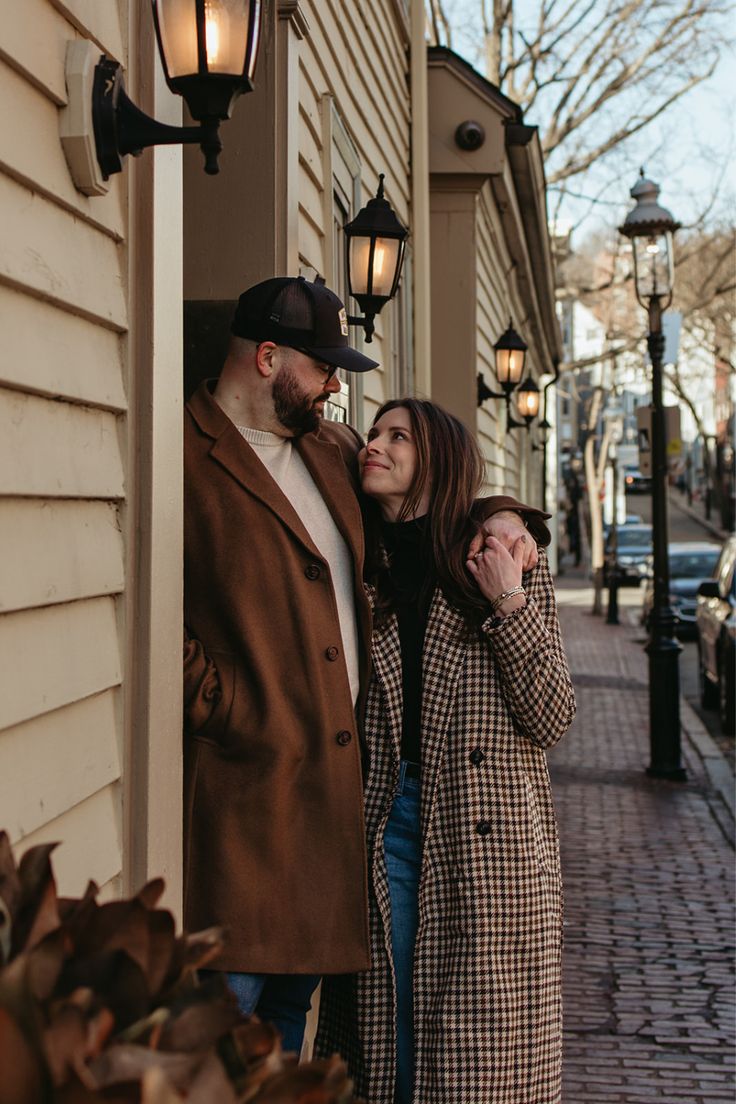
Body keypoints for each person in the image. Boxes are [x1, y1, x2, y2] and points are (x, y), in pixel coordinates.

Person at [183, 277, 538, 1055]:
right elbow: (149, 600)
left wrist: (505, 517)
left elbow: (434, 493)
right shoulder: (183, 454)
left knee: (289, 1045)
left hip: (337, 817)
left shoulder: (334, 449)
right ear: (270, 357)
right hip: (246, 805)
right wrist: (227, 702)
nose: (337, 386)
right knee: (221, 1043)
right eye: (324, 368)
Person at [316, 398, 576, 1103]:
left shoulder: (499, 557)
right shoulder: (359, 558)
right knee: (392, 1036)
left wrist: (509, 603)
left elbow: (553, 716)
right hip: (389, 825)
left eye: (398, 436)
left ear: (438, 460)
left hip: (488, 837)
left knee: (474, 1054)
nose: (375, 443)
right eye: (374, 432)